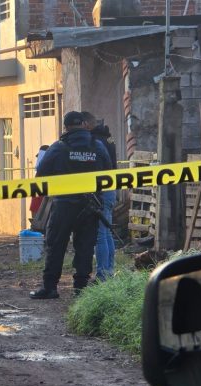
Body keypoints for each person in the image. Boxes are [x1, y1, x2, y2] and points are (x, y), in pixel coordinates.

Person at [29, 111, 112, 300]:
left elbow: (40, 175)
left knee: (56, 245)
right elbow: (109, 175)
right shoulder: (97, 146)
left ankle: (50, 288)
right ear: (83, 124)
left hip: (64, 205)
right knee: (85, 246)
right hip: (90, 206)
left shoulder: (58, 147)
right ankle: (80, 290)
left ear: (65, 127)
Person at [81, 111, 117, 282]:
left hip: (101, 191)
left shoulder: (96, 142)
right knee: (107, 232)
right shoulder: (107, 139)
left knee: (101, 234)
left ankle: (103, 274)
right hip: (111, 189)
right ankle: (109, 270)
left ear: (87, 124)